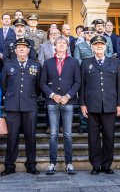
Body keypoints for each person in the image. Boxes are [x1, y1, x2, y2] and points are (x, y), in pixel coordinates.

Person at [80, 35, 120, 175]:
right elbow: (82, 85)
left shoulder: (114, 62)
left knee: (109, 136)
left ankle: (106, 164)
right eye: (96, 45)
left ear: (105, 47)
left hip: (110, 105)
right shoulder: (86, 63)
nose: (99, 46)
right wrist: (82, 103)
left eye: (101, 44)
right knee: (93, 138)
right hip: (92, 105)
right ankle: (95, 165)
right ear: (92, 47)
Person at [1, 38, 42, 176]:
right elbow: (3, 85)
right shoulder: (8, 65)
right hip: (13, 106)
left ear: (29, 50)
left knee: (31, 137)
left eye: (24, 47)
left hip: (30, 105)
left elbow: (38, 86)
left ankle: (31, 165)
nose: (21, 49)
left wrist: (31, 96)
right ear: (15, 50)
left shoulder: (35, 65)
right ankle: (9, 166)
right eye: (19, 47)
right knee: (12, 137)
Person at [40, 36, 81, 175]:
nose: (62, 44)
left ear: (67, 46)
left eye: (64, 43)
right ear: (55, 46)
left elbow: (77, 82)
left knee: (68, 134)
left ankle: (69, 163)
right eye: (59, 43)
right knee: (53, 134)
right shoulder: (48, 62)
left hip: (68, 102)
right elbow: (43, 83)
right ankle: (52, 163)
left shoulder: (74, 62)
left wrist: (68, 96)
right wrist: (53, 95)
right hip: (52, 102)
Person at [73, 26, 95, 134]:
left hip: (96, 75)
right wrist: (89, 64)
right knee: (82, 97)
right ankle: (83, 124)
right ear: (84, 34)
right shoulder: (79, 46)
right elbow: (77, 59)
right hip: (84, 74)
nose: (89, 34)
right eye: (87, 33)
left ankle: (94, 122)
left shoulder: (98, 45)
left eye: (91, 32)